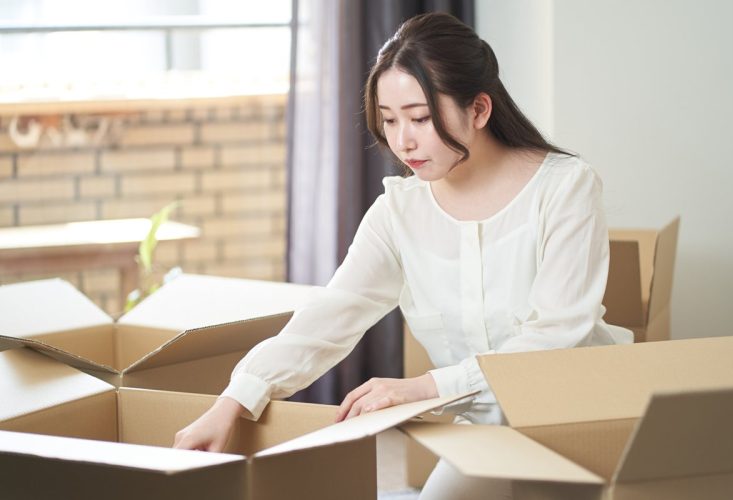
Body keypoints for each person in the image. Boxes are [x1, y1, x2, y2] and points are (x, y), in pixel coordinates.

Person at [173, 12, 633, 499]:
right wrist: (234, 400)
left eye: (419, 118)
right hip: (486, 437)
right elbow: (332, 314)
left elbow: (557, 335)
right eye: (389, 120)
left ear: (478, 109)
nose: (403, 140)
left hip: (581, 418)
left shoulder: (565, 186)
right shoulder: (399, 210)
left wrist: (423, 387)